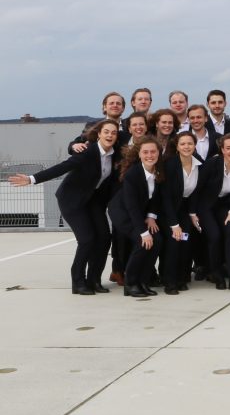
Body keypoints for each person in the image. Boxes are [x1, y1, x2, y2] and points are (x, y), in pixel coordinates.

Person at [8, 119, 120, 295]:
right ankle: (78, 282)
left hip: (91, 201)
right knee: (87, 240)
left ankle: (94, 280)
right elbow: (62, 168)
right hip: (72, 200)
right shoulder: (87, 152)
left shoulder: (114, 154)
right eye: (106, 131)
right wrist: (32, 179)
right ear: (99, 134)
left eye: (114, 133)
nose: (110, 135)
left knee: (105, 238)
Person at [108, 136, 164, 298]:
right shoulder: (133, 174)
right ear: (139, 154)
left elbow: (156, 197)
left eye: (153, 152)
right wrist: (143, 232)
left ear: (158, 153)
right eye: (145, 152)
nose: (149, 155)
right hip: (123, 213)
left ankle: (143, 281)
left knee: (158, 240)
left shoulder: (158, 170)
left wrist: (152, 216)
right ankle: (130, 283)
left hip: (141, 213)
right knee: (142, 242)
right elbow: (131, 207)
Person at [190, 134, 230, 291]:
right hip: (206, 206)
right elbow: (197, 188)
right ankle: (217, 275)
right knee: (214, 236)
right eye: (228, 148)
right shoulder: (212, 164)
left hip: (225, 206)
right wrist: (193, 213)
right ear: (222, 150)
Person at [159, 132, 200, 295]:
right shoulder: (170, 165)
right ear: (177, 147)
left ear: (195, 145)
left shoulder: (199, 164)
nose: (187, 147)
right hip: (167, 210)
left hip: (184, 208)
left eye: (190, 143)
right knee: (173, 242)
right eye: (183, 144)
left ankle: (182, 277)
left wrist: (192, 212)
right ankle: (169, 281)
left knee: (186, 240)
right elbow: (166, 197)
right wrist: (174, 224)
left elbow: (196, 192)